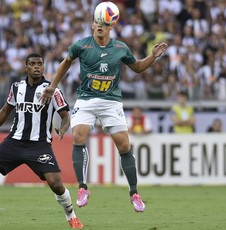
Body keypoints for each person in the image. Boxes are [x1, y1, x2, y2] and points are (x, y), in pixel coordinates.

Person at [41, 3, 168, 213]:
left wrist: (152, 56)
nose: (99, 26)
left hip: (111, 101)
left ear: (110, 27)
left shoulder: (120, 48)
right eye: (97, 23)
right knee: (79, 136)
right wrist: (52, 86)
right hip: (87, 99)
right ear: (92, 25)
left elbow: (136, 67)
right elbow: (65, 63)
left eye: (103, 24)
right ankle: (82, 188)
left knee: (124, 145)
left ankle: (134, 192)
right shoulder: (81, 45)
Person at [0, 53, 83, 229]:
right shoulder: (17, 87)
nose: (37, 67)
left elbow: (65, 116)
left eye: (40, 64)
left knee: (55, 184)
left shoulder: (52, 90)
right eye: (33, 64)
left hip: (39, 145)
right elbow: (4, 112)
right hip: (14, 142)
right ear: (26, 67)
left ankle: (72, 216)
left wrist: (62, 129)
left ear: (44, 67)